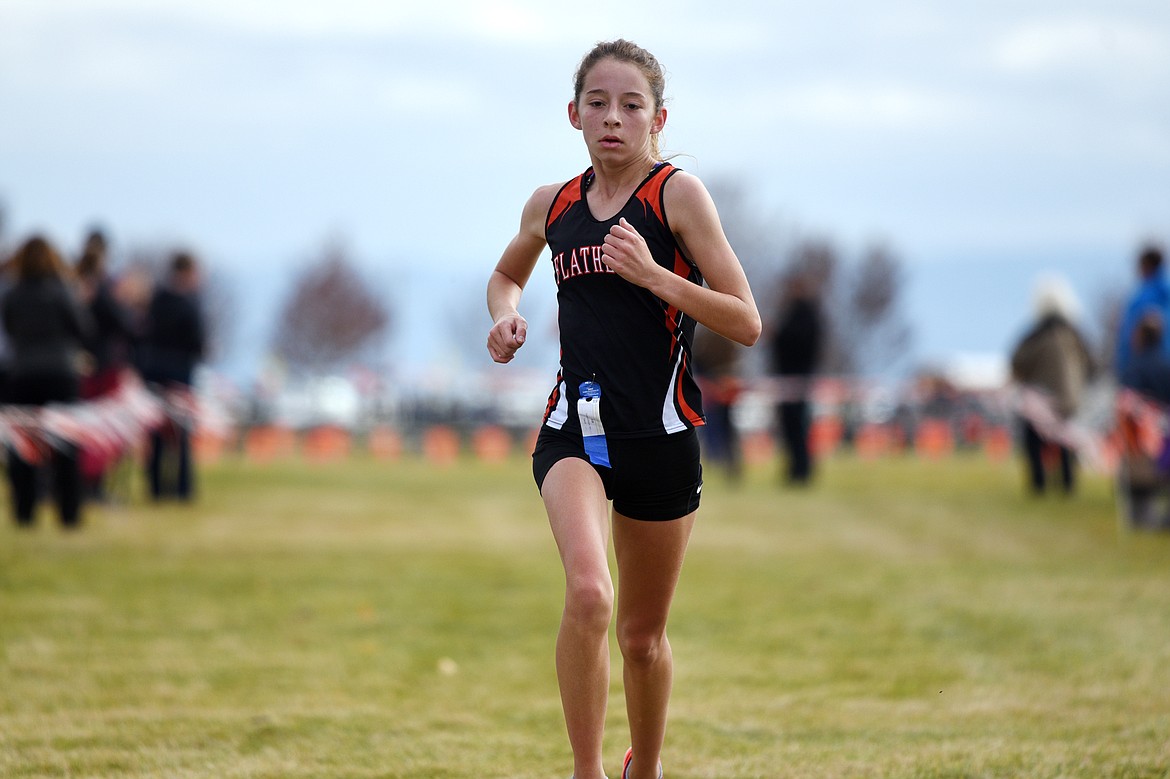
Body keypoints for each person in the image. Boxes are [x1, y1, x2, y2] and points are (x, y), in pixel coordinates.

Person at [485, 40, 760, 779]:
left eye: (631, 105)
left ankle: (648, 766)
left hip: (662, 437)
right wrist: (505, 317)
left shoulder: (678, 196)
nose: (613, 118)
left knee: (642, 638)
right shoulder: (553, 204)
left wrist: (655, 276)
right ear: (573, 114)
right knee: (588, 590)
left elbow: (745, 320)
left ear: (657, 118)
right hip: (576, 429)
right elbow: (507, 274)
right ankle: (587, 770)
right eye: (598, 104)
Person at [1, 235, 92, 528]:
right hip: (61, 373)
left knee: (25, 446)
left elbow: (9, 330)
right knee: (65, 446)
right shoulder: (63, 291)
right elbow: (83, 327)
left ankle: (25, 512)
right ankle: (69, 513)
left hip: (23, 372)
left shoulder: (12, 293)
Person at [1009, 276, 1095, 496]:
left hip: (1042, 401)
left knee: (1034, 440)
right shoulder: (1076, 335)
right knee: (1065, 440)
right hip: (1070, 399)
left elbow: (1018, 362)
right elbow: (1092, 365)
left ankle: (1039, 483)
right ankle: (1068, 482)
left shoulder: (1035, 336)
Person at [75, 227, 140, 499]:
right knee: (101, 432)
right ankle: (93, 487)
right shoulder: (103, 289)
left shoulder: (73, 284)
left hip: (79, 364)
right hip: (101, 367)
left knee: (80, 428)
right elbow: (127, 325)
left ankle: (81, 485)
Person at [138, 251, 205, 502]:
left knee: (156, 435)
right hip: (180, 374)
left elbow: (141, 334)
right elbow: (197, 342)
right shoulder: (189, 304)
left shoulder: (155, 300)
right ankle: (182, 489)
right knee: (180, 435)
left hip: (154, 373)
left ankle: (156, 488)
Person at [768, 273, 823, 485]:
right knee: (792, 428)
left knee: (798, 427)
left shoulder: (804, 314)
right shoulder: (798, 312)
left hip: (797, 377)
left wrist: (778, 336)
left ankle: (801, 471)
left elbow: (797, 341)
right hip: (791, 378)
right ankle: (795, 470)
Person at [1115, 243, 1170, 378]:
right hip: (1139, 362)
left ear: (1149, 265)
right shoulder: (1143, 291)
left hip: (1155, 364)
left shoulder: (1159, 292)